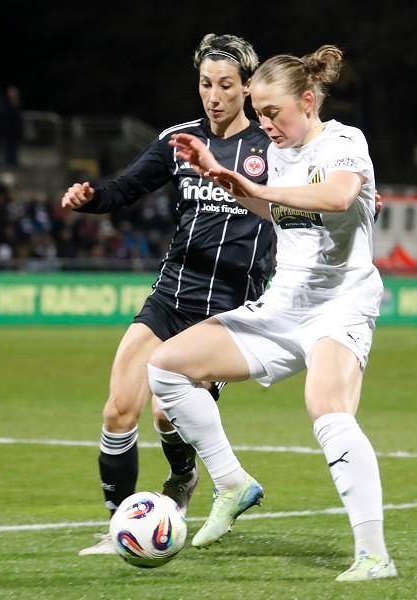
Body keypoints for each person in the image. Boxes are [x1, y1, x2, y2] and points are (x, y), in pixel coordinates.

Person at [148, 45, 396, 582]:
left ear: (307, 101)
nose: (264, 124)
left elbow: (338, 196)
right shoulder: (279, 152)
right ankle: (232, 482)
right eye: (259, 114)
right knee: (166, 367)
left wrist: (254, 185)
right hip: (284, 305)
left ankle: (374, 554)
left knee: (327, 410)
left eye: (272, 113)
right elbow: (272, 206)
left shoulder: (344, 142)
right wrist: (225, 179)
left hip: (341, 304)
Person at [60, 33, 275, 556]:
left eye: (226, 85)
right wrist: (90, 198)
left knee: (164, 414)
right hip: (172, 294)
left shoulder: (274, 148)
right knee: (119, 410)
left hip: (227, 310)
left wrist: (357, 201)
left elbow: (316, 193)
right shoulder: (179, 140)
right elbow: (123, 189)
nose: (214, 96)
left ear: (248, 87)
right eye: (205, 84)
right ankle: (120, 527)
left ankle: (182, 477)